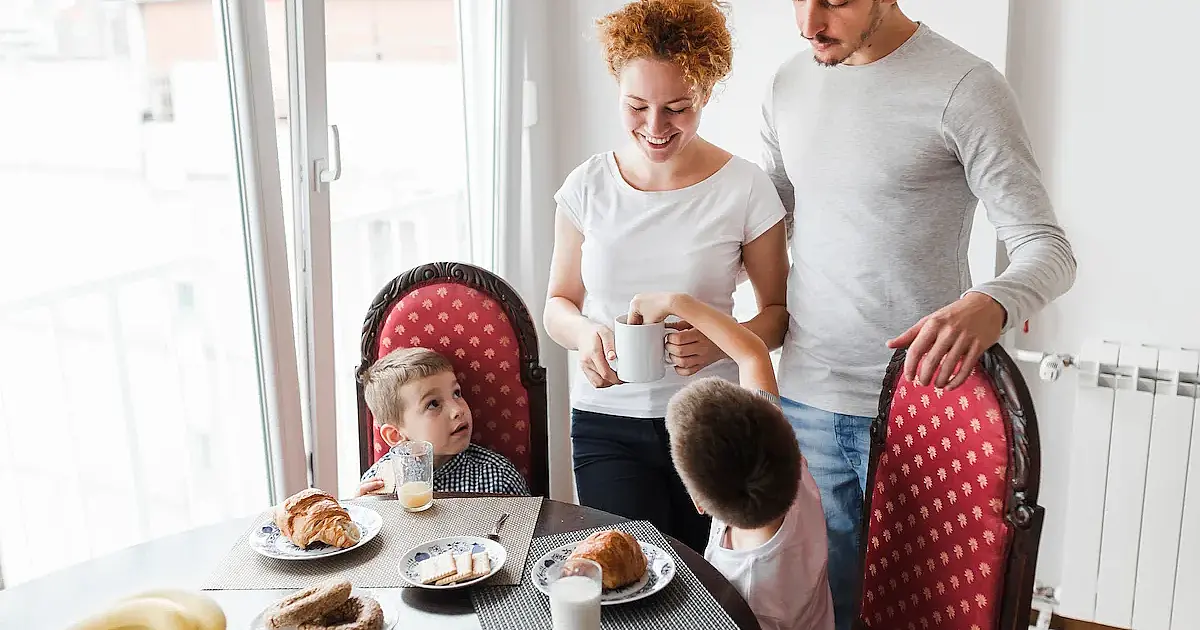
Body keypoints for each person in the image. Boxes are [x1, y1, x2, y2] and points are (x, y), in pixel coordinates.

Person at [762, 2, 1078, 628]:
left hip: (923, 410)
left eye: (836, 0)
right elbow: (768, 225)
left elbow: (1047, 245)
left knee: (923, 614)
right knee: (815, 613)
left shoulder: (965, 87)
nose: (810, 21)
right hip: (806, 402)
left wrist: (992, 303)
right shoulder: (787, 83)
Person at [543, 0, 790, 553]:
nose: (655, 128)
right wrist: (585, 335)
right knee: (628, 583)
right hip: (608, 424)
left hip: (714, 426)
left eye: (677, 108)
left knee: (710, 591)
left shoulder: (744, 188)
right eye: (637, 106)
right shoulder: (586, 186)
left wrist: (717, 341)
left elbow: (776, 316)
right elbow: (558, 302)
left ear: (705, 93)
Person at [627, 291, 834, 630]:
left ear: (698, 503)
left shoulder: (743, 595)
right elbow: (751, 353)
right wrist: (674, 301)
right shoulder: (792, 473)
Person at [355, 347, 529, 497]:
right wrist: (360, 515)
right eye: (433, 404)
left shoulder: (498, 478)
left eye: (457, 393)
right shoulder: (378, 483)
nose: (458, 410)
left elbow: (528, 531)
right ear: (396, 435)